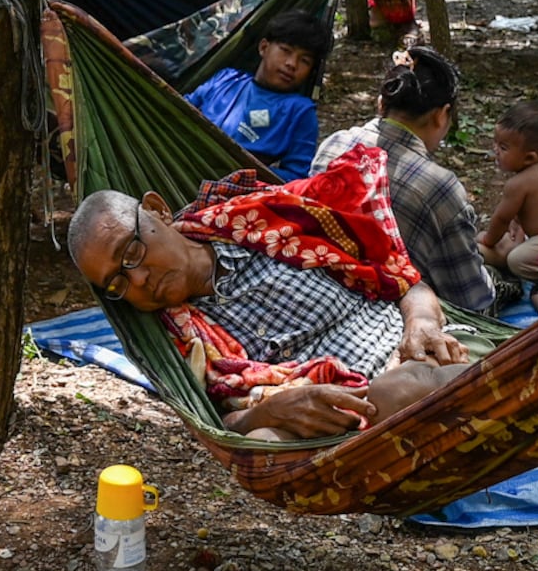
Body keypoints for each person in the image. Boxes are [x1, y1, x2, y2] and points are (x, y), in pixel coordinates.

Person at [65, 152, 472, 442]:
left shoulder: (265, 223)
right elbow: (219, 423)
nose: (137, 280)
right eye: (117, 283)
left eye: (132, 253)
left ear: (157, 211)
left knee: (404, 385)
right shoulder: (176, 338)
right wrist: (270, 410)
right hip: (340, 414)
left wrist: (422, 323)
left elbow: (405, 283)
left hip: (416, 357)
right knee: (264, 439)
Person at [315, 47, 498, 314]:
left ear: (381, 104)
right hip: (392, 318)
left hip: (317, 289)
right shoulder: (439, 188)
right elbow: (470, 298)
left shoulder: (335, 144)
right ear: (441, 115)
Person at [182, 10, 328, 180]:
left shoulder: (299, 112)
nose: (291, 64)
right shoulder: (226, 80)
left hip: (233, 193)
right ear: (264, 47)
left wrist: (241, 173)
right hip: (178, 166)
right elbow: (175, 111)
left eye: (305, 61)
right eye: (286, 50)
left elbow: (295, 176)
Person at [477, 100, 538, 283]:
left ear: (529, 157)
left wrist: (488, 240)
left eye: (503, 147)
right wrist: (518, 220)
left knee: (515, 259)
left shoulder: (518, 184)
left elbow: (501, 219)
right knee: (513, 241)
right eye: (495, 143)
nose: (495, 150)